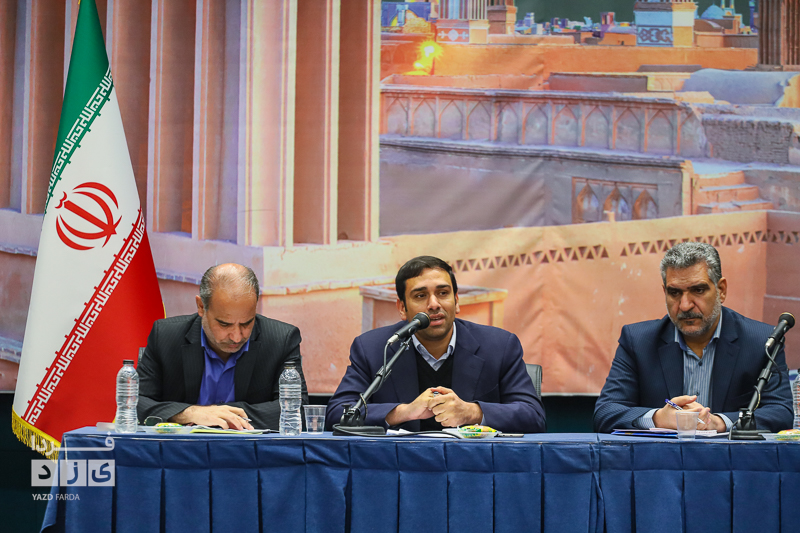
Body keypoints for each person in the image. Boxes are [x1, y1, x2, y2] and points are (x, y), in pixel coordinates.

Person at [325, 256, 545, 433]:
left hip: (475, 464)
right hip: (399, 465)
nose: (434, 304)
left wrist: (471, 412)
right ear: (402, 308)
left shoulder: (499, 346)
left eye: (443, 293)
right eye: (421, 296)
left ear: (456, 301)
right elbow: (336, 414)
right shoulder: (373, 348)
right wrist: (404, 412)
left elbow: (533, 415)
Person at [594, 242, 793, 434]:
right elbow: (606, 412)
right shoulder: (638, 342)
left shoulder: (761, 342)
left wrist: (719, 422)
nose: (685, 305)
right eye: (674, 293)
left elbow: (780, 412)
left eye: (698, 290)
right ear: (665, 292)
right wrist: (658, 418)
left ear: (721, 290)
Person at [138, 263, 308, 430]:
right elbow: (135, 402)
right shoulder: (166, 336)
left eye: (246, 323)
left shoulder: (281, 340)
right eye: (224, 324)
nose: (236, 336)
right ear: (201, 307)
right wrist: (189, 413)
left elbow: (297, 409)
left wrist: (221, 415)